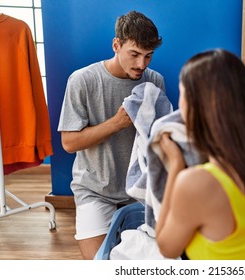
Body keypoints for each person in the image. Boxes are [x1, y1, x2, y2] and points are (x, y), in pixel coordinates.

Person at [155, 49, 245, 260]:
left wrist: (176, 164)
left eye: (182, 94)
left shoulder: (197, 183)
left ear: (195, 106)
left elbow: (167, 248)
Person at [58, 11, 165, 260]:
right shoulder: (83, 80)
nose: (142, 64)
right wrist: (116, 123)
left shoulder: (154, 81)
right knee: (101, 266)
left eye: (148, 56)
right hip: (95, 190)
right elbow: (69, 143)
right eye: (134, 54)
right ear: (116, 45)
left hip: (140, 192)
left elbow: (158, 140)